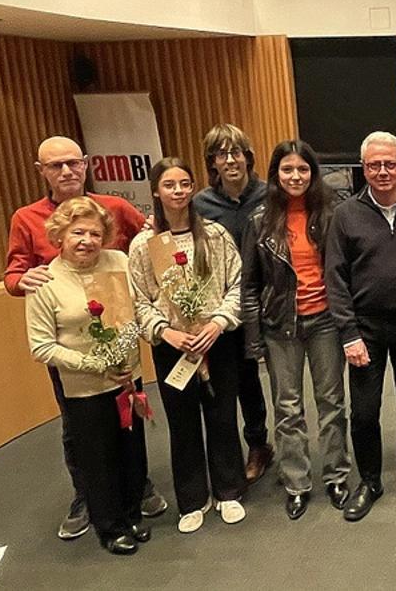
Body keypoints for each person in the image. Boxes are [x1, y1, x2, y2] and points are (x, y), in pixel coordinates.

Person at [4, 135, 166, 540]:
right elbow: (14, 275)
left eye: (73, 163)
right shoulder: (27, 219)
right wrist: (22, 281)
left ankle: (132, 497)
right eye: (55, 165)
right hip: (75, 353)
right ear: (40, 171)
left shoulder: (115, 212)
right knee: (84, 434)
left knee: (128, 431)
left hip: (123, 356)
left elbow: (151, 239)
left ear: (86, 164)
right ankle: (91, 501)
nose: (66, 171)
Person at [25, 197, 150, 555]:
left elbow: (135, 311)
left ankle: (131, 513)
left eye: (96, 233)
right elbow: (41, 347)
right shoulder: (45, 281)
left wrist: (125, 355)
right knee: (99, 458)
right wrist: (95, 363)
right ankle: (109, 527)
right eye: (78, 232)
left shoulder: (119, 262)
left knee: (132, 451)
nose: (87, 240)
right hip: (84, 387)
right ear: (60, 236)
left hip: (127, 378)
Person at [129, 158, 248, 534]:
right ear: (156, 192)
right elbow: (138, 300)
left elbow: (238, 285)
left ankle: (228, 490)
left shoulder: (214, 235)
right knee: (182, 424)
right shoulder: (143, 246)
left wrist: (217, 322)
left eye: (184, 184)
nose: (178, 191)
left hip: (217, 341)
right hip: (173, 346)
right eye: (170, 185)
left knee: (222, 415)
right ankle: (193, 498)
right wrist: (166, 331)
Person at [325, 132, 396, 521]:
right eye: (374, 165)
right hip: (365, 329)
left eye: (391, 164)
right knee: (365, 412)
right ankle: (369, 481)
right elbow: (335, 279)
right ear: (364, 169)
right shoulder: (345, 215)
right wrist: (348, 334)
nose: (383, 171)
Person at [241, 140, 352, 520]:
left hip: (325, 321)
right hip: (279, 325)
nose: (295, 176)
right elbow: (250, 286)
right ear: (275, 175)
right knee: (287, 409)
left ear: (313, 173)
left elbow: (342, 271)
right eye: (287, 170)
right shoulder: (259, 220)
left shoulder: (332, 213)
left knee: (331, 404)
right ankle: (297, 483)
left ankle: (337, 476)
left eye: (303, 169)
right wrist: (253, 338)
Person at [192, 124, 275, 484]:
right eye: (221, 154)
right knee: (238, 381)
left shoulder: (271, 195)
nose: (230, 160)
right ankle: (248, 448)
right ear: (212, 162)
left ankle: (271, 445)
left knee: (274, 380)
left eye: (236, 152)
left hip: (265, 301)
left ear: (248, 157)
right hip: (221, 307)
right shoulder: (200, 204)